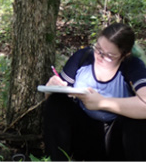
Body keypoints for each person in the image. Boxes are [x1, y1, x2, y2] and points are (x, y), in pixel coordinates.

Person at [43, 23, 146, 161]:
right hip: (82, 135)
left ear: (124, 55)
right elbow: (52, 102)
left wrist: (101, 103)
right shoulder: (83, 57)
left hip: (115, 141)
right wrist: (51, 87)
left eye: (109, 55)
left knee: (138, 121)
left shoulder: (132, 65)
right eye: (98, 49)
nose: (100, 56)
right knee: (56, 102)